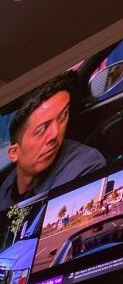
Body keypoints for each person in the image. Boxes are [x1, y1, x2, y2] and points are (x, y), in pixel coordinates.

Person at [0, 71, 106, 210]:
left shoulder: (86, 166)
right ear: (14, 153)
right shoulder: (6, 188)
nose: (56, 134)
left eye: (63, 115)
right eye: (42, 129)